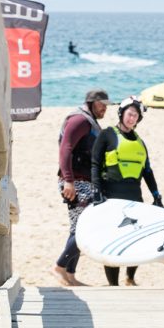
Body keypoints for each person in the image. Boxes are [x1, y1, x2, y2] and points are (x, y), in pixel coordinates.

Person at [91, 96, 163, 286]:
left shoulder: (140, 142)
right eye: (130, 114)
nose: (132, 118)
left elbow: (147, 171)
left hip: (134, 197)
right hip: (111, 197)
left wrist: (156, 195)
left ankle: (130, 278)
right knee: (112, 240)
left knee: (135, 239)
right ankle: (113, 284)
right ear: (122, 113)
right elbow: (95, 164)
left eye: (136, 116)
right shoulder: (107, 134)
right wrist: (97, 191)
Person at [50, 89, 111, 286]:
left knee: (78, 228)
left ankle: (70, 273)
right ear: (92, 102)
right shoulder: (79, 120)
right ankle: (59, 267)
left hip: (84, 181)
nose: (105, 108)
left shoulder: (89, 121)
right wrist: (68, 180)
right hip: (75, 181)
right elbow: (65, 148)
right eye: (103, 104)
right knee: (85, 227)